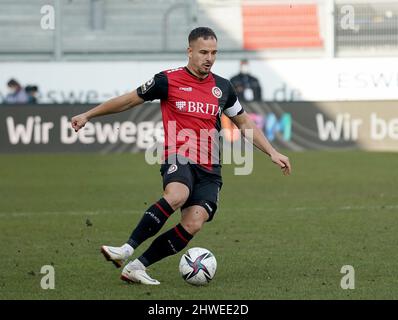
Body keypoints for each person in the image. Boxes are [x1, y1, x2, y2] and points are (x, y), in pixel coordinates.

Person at [71, 27, 291, 286]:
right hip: (180, 155)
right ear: (189, 51)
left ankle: (137, 267)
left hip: (210, 167)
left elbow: (244, 123)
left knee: (194, 223)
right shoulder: (167, 80)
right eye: (203, 52)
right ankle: (127, 248)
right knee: (177, 195)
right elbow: (129, 101)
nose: (209, 58)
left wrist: (272, 152)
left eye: (214, 53)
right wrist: (88, 115)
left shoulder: (223, 87)